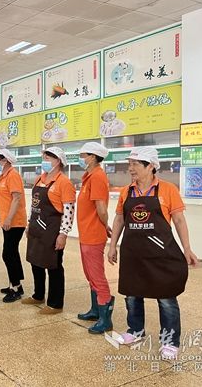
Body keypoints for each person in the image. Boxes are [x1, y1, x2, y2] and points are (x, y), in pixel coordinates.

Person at [108, 147, 198, 360]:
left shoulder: (168, 189)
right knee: (132, 295)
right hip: (133, 254)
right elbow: (120, 219)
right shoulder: (127, 191)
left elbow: (179, 220)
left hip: (160, 255)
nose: (130, 168)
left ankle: (170, 341)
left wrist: (187, 248)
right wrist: (112, 245)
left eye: (135, 164)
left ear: (150, 166)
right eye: (129, 164)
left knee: (166, 298)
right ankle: (135, 331)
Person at [24, 147, 76, 314]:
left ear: (58, 161)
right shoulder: (40, 179)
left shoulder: (64, 182)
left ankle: (55, 303)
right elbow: (34, 205)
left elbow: (69, 210)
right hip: (36, 228)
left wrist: (63, 234)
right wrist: (29, 223)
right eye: (44, 158)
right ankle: (38, 295)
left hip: (52, 230)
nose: (44, 161)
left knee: (53, 266)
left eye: (48, 158)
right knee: (35, 262)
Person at [76, 142, 115, 333]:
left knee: (97, 276)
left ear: (92, 157)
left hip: (93, 235)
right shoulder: (89, 176)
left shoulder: (98, 176)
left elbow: (101, 208)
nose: (81, 158)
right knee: (90, 274)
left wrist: (105, 225)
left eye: (83, 155)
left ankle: (105, 319)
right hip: (86, 234)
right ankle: (95, 310)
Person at [0, 148, 27, 303]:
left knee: (8, 254)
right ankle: (15, 284)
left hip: (15, 222)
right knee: (12, 253)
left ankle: (16, 288)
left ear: (5, 160)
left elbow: (17, 198)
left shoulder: (13, 175)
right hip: (7, 221)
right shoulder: (4, 176)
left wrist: (8, 219)